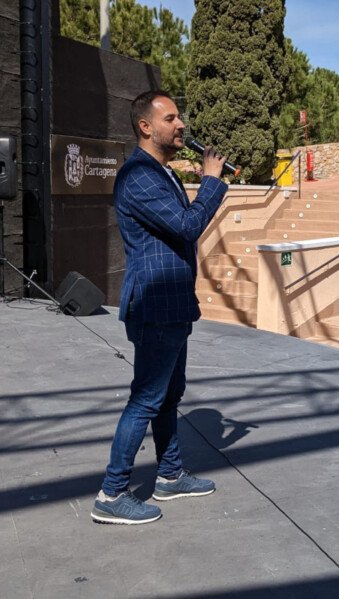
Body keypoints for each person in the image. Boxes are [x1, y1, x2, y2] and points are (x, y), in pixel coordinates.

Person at [93, 90, 227, 525]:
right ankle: (112, 494)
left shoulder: (160, 172)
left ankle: (169, 475)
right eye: (171, 118)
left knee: (168, 395)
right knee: (147, 398)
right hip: (155, 304)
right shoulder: (138, 176)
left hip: (172, 302)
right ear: (146, 127)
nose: (181, 125)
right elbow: (187, 226)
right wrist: (212, 182)